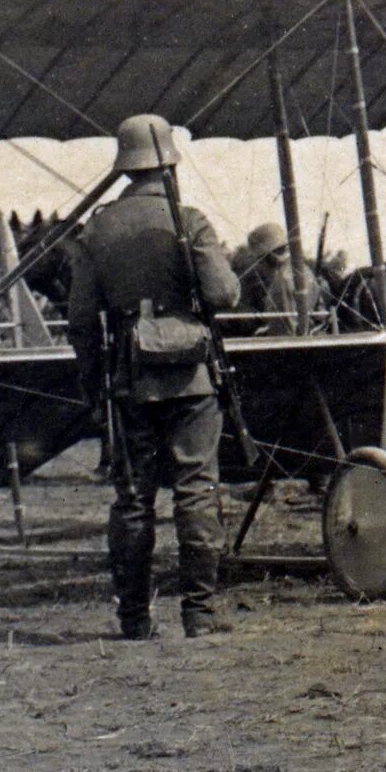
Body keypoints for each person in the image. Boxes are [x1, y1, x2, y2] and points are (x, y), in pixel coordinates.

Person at [63, 113, 243, 640]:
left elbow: (80, 323)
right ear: (168, 161)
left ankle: (135, 620)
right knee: (195, 490)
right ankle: (200, 614)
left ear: (124, 167)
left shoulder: (96, 230)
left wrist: (94, 385)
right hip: (192, 380)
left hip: (129, 379)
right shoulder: (190, 221)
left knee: (134, 497)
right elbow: (224, 295)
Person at [233, 222, 323, 330]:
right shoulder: (306, 272)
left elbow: (283, 330)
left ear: (268, 257)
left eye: (259, 260)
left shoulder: (280, 282)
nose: (259, 264)